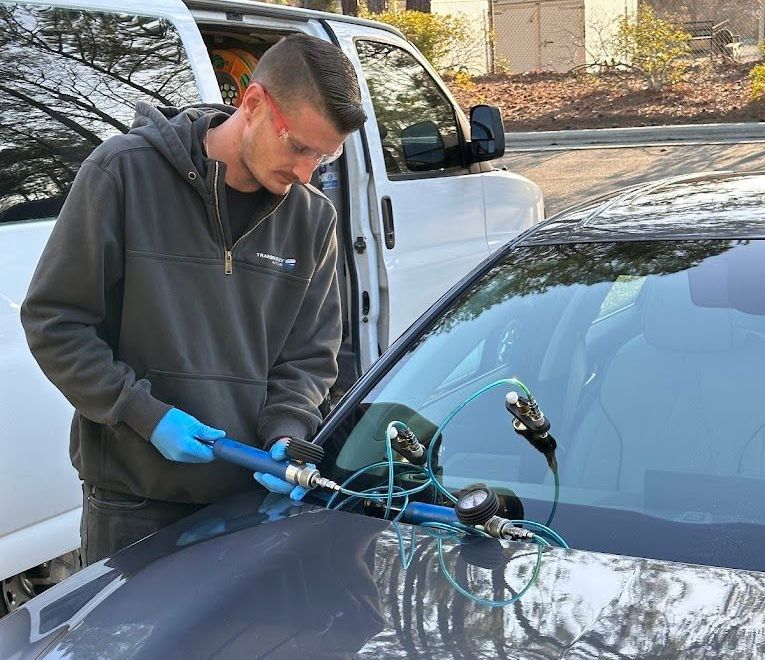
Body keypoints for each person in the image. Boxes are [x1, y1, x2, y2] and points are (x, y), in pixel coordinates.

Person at [20, 33, 367, 565]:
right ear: (252, 103)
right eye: (299, 147)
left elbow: (310, 356)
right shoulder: (123, 174)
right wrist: (144, 414)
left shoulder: (312, 217)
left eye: (323, 158)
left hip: (251, 500)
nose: (305, 173)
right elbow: (55, 322)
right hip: (133, 503)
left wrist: (288, 432)